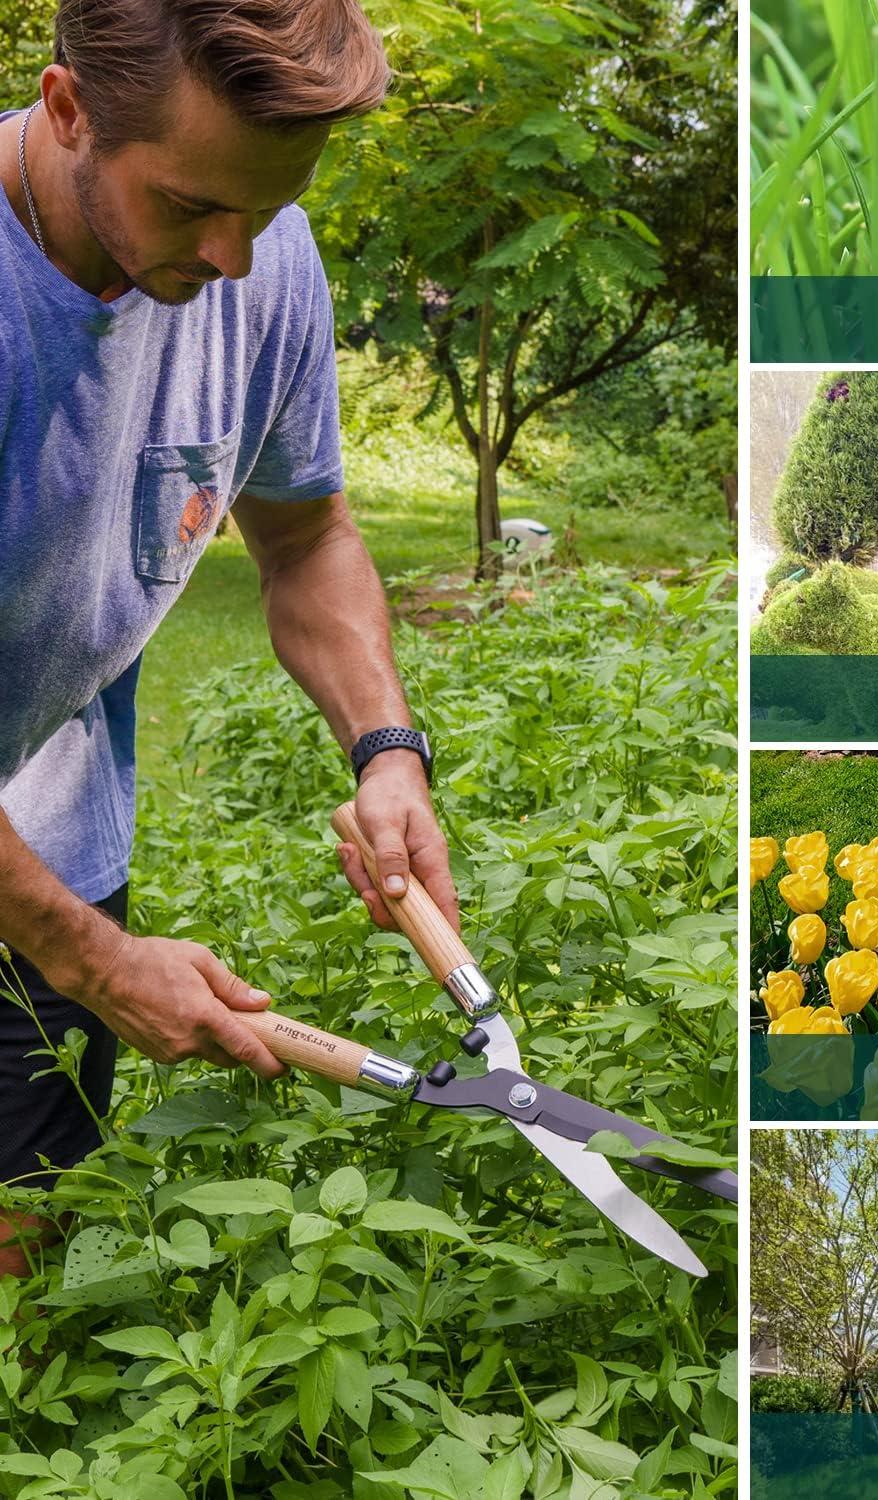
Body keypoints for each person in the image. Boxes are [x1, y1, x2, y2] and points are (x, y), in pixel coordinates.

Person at [0, 0, 462, 1278]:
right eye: (192, 205)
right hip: (49, 908)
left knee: (27, 1247)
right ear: (68, 109)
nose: (232, 258)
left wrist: (387, 751)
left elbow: (305, 542)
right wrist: (97, 962)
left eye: (265, 211)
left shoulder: (260, 255)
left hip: (46, 825)